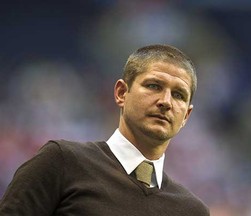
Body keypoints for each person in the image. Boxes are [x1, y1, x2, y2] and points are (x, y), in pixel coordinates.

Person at [0, 44, 209, 215]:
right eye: (154, 86)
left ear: (186, 116)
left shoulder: (191, 211)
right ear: (121, 93)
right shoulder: (62, 162)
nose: (165, 101)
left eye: (179, 95)